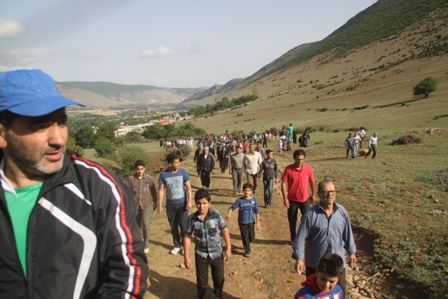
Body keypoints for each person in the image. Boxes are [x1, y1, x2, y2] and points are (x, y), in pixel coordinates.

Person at [0, 69, 148, 297]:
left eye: (61, 122)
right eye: (40, 126)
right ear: (2, 134)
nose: (58, 139)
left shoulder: (98, 187)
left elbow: (127, 273)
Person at [292, 180, 357, 294]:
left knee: (338, 292)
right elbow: (301, 237)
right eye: (325, 192)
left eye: (332, 191)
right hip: (316, 264)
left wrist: (351, 252)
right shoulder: (311, 214)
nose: (329, 195)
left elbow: (348, 233)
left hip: (337, 264)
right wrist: (299, 258)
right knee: (314, 293)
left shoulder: (342, 212)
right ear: (318, 194)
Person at [184, 189, 231, 299]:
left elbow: (224, 230)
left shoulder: (216, 215)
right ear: (195, 203)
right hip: (201, 255)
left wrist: (228, 248)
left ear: (209, 203)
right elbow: (187, 237)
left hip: (216, 253)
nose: (202, 206)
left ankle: (218, 293)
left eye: (204, 203)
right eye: (199, 203)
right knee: (202, 283)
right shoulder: (191, 219)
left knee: (219, 279)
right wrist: (186, 256)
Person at [158, 153, 193, 255]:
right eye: (176, 163)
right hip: (170, 205)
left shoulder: (183, 172)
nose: (178, 164)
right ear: (170, 164)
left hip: (182, 204)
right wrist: (160, 205)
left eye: (179, 162)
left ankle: (184, 245)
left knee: (183, 226)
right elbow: (161, 190)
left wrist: (190, 200)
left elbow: (188, 187)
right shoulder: (163, 174)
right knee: (173, 227)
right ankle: (177, 245)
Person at [281, 149, 315, 243]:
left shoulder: (308, 168)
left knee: (307, 219)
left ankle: (304, 237)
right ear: (294, 158)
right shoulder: (288, 169)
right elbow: (284, 183)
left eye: (301, 159)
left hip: (305, 199)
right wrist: (285, 198)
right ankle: (293, 238)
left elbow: (312, 181)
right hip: (292, 200)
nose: (299, 161)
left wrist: (314, 194)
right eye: (297, 159)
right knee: (292, 220)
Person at [127, 160, 157, 254]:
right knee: (137, 224)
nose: (140, 171)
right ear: (135, 169)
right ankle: (140, 240)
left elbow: (153, 191)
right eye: (138, 169)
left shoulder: (148, 179)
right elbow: (127, 192)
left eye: (141, 169)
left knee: (145, 223)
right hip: (135, 205)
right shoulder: (131, 179)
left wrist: (155, 202)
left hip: (146, 204)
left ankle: (146, 244)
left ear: (144, 169)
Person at [226, 183, 260, 258]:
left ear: (251, 191)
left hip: (251, 221)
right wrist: (229, 213)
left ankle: (247, 242)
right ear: (243, 191)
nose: (247, 192)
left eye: (248, 191)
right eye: (245, 190)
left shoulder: (254, 201)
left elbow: (257, 212)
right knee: (245, 236)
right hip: (242, 222)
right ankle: (247, 251)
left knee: (251, 236)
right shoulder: (240, 200)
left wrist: (257, 222)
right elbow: (232, 207)